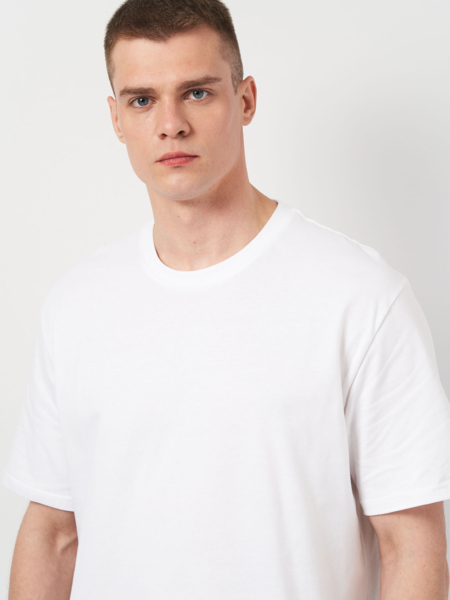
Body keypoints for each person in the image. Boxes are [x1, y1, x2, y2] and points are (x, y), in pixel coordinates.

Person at [3, 0, 450, 598]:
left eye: (197, 93)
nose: (171, 124)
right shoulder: (76, 306)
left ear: (245, 99)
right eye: (142, 100)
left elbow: (410, 543)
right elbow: (53, 533)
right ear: (116, 119)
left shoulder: (360, 297)